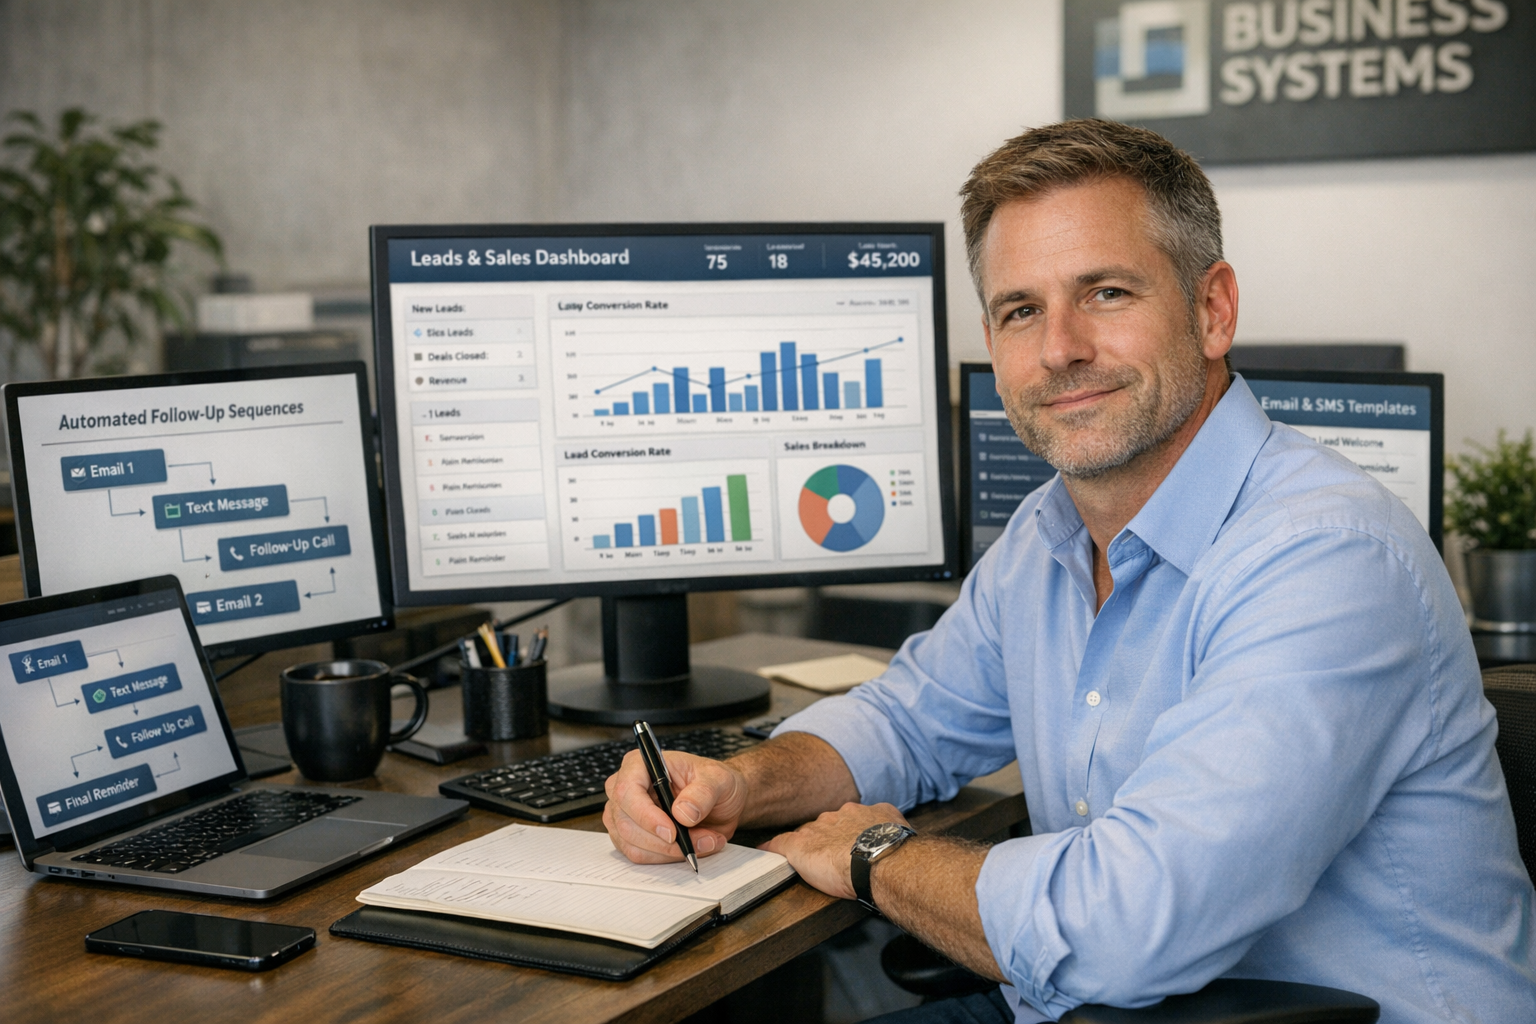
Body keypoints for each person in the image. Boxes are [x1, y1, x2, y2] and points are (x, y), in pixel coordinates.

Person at [602, 119, 1536, 1024]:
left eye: (1106, 293)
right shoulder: (1047, 534)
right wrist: (739, 784)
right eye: (1021, 311)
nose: (1060, 349)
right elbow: (908, 721)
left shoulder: (1326, 556)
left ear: (1213, 310)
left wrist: (877, 852)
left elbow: (1128, 927)